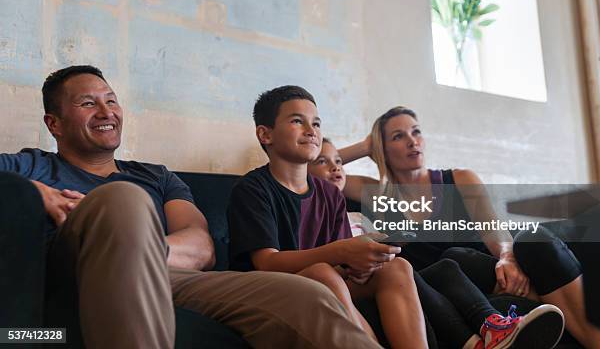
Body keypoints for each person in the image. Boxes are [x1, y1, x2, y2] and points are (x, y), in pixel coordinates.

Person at [0, 65, 382, 349]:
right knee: (122, 199)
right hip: (72, 274)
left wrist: (135, 247)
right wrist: (37, 192)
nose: (106, 111)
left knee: (305, 295)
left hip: (169, 275)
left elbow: (200, 246)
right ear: (54, 123)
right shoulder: (29, 166)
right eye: (88, 103)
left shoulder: (156, 176)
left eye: (111, 100)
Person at [228, 87, 565, 349]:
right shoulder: (255, 189)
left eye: (316, 123)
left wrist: (362, 257)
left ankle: (489, 329)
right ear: (265, 134)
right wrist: (343, 252)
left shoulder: (330, 193)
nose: (311, 130)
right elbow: (267, 262)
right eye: (297, 121)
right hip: (277, 283)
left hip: (333, 275)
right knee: (323, 271)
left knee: (398, 267)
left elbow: (340, 256)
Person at [339, 105, 600, 348]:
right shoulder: (374, 192)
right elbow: (315, 169)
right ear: (381, 149)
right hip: (440, 289)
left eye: (416, 131)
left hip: (486, 272)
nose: (412, 141)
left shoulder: (458, 178)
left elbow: (495, 230)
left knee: (529, 239)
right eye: (398, 136)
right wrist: (365, 145)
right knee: (451, 259)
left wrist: (507, 257)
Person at [308, 136, 566, 349]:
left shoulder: (356, 212)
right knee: (415, 270)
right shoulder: (308, 209)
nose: (336, 168)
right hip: (357, 277)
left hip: (389, 271)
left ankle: (492, 329)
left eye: (339, 162)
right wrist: (367, 146)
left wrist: (394, 241)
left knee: (446, 266)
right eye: (323, 161)